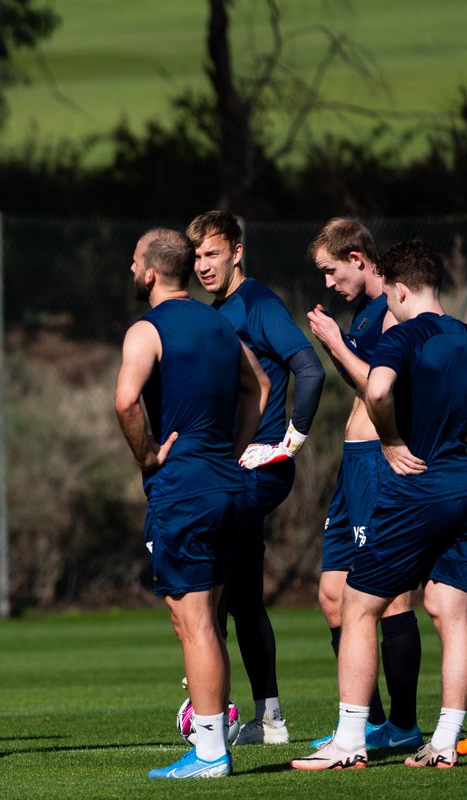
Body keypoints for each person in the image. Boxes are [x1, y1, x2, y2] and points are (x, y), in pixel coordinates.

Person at [293, 239, 467, 770]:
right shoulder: (463, 336)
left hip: (419, 488)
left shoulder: (406, 334)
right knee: (452, 612)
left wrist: (390, 440)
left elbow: (380, 389)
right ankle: (446, 741)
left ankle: (349, 743)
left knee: (359, 605)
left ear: (397, 289)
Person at [116, 228, 267, 779]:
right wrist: (235, 448)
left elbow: (125, 399)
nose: (130, 269)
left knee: (195, 621)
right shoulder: (220, 324)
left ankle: (209, 753)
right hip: (226, 486)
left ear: (151, 272)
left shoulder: (146, 329)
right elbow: (261, 388)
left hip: (183, 489)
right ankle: (211, 742)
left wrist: (150, 455)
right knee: (201, 622)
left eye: (133, 261)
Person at [187, 210, 325, 744]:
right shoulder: (218, 311)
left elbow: (309, 369)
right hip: (230, 468)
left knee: (214, 593)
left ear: (237, 252)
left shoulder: (259, 304)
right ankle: (268, 720)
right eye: (196, 255)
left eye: (213, 254)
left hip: (256, 470)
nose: (203, 265)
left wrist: (288, 443)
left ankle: (215, 717)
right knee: (240, 594)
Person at [304, 219, 422, 750]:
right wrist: (336, 342)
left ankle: (400, 724)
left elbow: (379, 388)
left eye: (332, 271)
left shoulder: (393, 312)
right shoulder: (364, 312)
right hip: (352, 465)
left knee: (390, 595)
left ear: (358, 258)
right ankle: (371, 722)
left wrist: (333, 341)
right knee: (333, 594)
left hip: (378, 460)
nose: (329, 283)